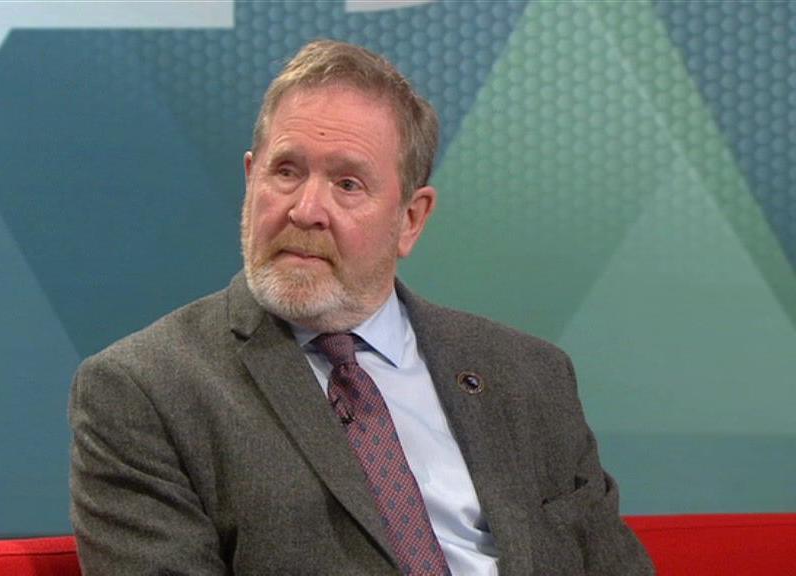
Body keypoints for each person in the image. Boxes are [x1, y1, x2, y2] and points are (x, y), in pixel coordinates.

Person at [70, 39, 654, 575]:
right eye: (286, 171)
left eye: (348, 184)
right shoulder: (145, 389)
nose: (305, 210)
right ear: (251, 182)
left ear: (410, 220)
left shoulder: (530, 376)